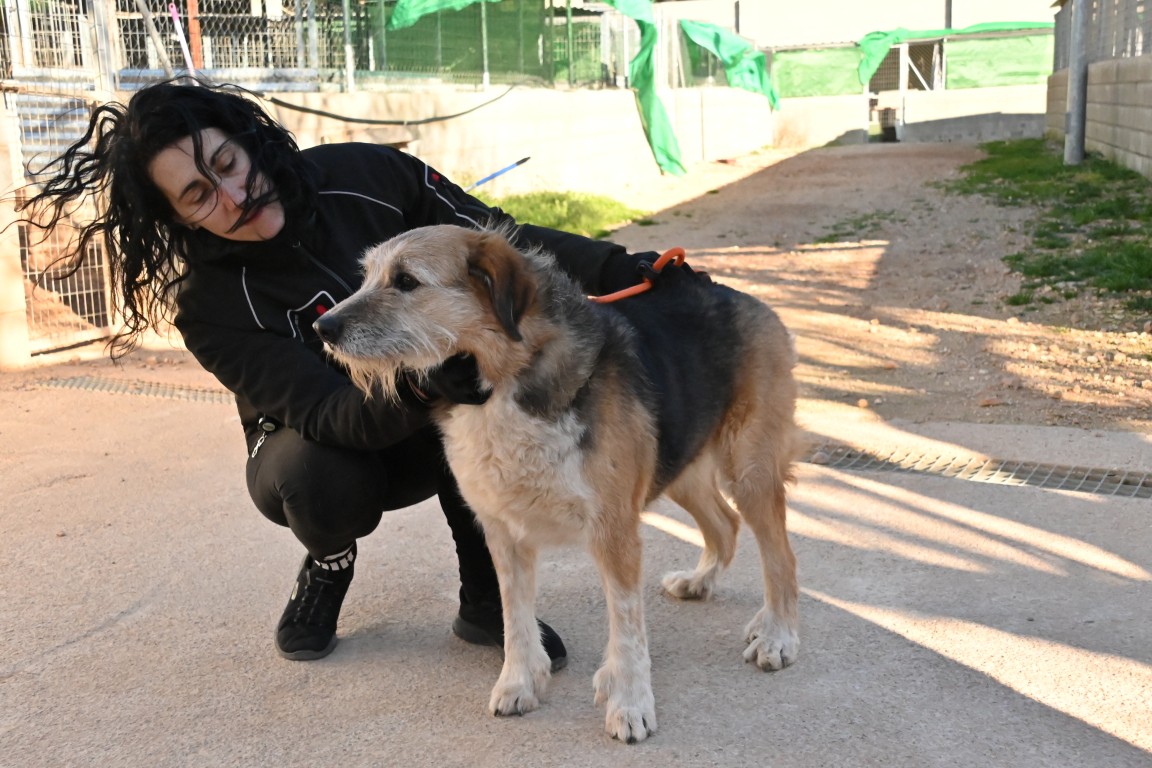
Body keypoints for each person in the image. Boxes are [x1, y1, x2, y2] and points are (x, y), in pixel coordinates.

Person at [17, 78, 668, 667]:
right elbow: (328, 413)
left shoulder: (367, 173)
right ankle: (328, 562)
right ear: (177, 218)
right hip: (320, 440)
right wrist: (424, 386)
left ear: (248, 142)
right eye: (199, 194)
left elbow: (502, 243)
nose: (234, 196)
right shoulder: (207, 306)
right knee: (319, 483)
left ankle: (485, 603)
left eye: (228, 164)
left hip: (424, 410)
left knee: (475, 406)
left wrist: (625, 267)